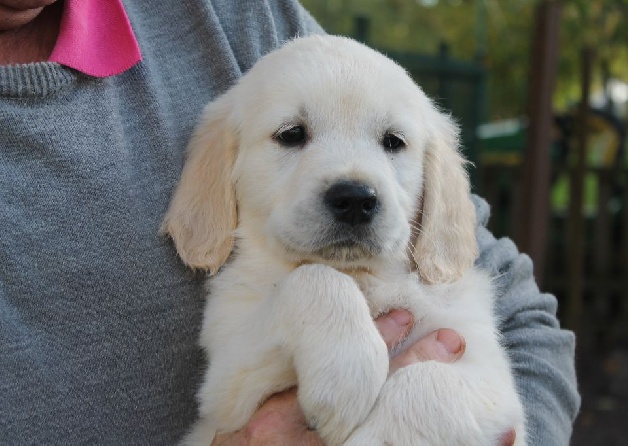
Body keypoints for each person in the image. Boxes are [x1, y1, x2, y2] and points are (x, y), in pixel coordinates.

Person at [0, 0, 580, 445]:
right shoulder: (250, 300)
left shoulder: (231, 16)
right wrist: (312, 296)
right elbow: (233, 404)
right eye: (292, 136)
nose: (354, 186)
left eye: (393, 141)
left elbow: (521, 356)